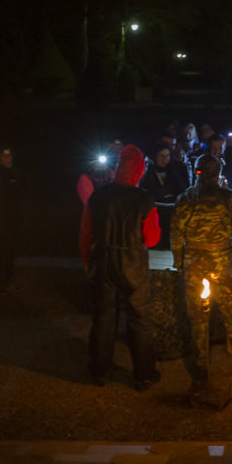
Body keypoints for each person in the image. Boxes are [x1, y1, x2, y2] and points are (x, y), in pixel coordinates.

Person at [172, 154, 232, 389]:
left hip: (195, 262)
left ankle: (200, 368)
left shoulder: (186, 198)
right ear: (218, 173)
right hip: (222, 262)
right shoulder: (227, 197)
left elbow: (176, 234)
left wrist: (179, 262)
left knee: (198, 316)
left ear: (196, 172)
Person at [85, 145, 162, 390]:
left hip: (105, 262)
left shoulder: (98, 196)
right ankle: (144, 374)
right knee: (139, 319)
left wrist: (89, 262)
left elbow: (86, 233)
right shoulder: (144, 199)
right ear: (139, 169)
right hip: (133, 265)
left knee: (104, 317)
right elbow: (151, 239)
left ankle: (99, 371)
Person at [0, 147, 26, 291]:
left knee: (10, 249)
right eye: (4, 157)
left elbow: (22, 195)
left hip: (13, 219)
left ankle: (8, 278)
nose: (7, 159)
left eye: (9, 156)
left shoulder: (17, 172)